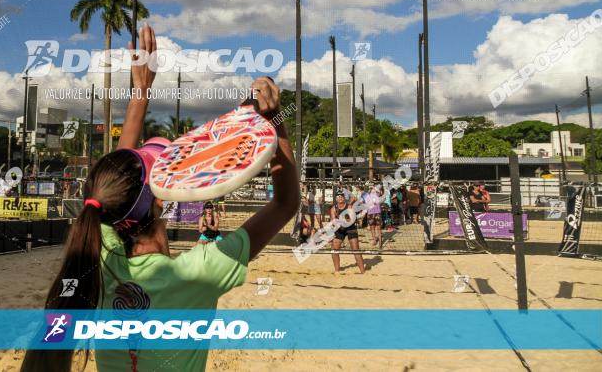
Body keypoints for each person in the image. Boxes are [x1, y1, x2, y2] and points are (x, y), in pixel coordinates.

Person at [21, 26, 299, 372]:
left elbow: (115, 182)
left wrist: (140, 93)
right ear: (157, 200)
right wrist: (274, 121)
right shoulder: (197, 273)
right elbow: (286, 203)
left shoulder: (102, 258)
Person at [330, 191, 365, 274]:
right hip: (340, 229)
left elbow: (351, 220)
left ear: (344, 198)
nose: (340, 197)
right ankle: (337, 270)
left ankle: (363, 271)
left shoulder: (349, 207)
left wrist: (341, 221)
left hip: (350, 227)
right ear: (336, 199)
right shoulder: (334, 208)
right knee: (334, 249)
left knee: (355, 249)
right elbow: (333, 221)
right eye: (338, 196)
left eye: (341, 196)